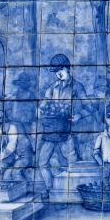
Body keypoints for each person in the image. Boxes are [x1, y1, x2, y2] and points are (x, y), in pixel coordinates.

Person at [34, 55, 78, 185]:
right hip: (51, 130)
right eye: (56, 71)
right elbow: (45, 101)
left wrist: (79, 115)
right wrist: (40, 109)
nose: (59, 73)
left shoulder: (77, 87)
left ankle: (73, 188)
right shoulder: (53, 87)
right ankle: (50, 188)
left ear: (67, 68)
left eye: (61, 69)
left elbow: (87, 105)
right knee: (43, 163)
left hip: (66, 130)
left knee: (71, 161)